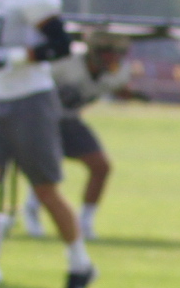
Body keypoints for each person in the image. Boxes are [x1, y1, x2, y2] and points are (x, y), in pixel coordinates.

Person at [0, 0, 96, 288]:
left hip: (30, 100)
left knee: (45, 190)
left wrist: (15, 56)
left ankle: (79, 262)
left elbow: (61, 44)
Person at [22, 32, 128, 242]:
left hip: (70, 120)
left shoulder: (119, 72)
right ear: (94, 52)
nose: (113, 58)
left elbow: (119, 89)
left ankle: (85, 221)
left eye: (118, 53)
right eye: (108, 52)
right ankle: (31, 209)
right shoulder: (65, 64)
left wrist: (135, 94)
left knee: (101, 167)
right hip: (44, 119)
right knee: (47, 168)